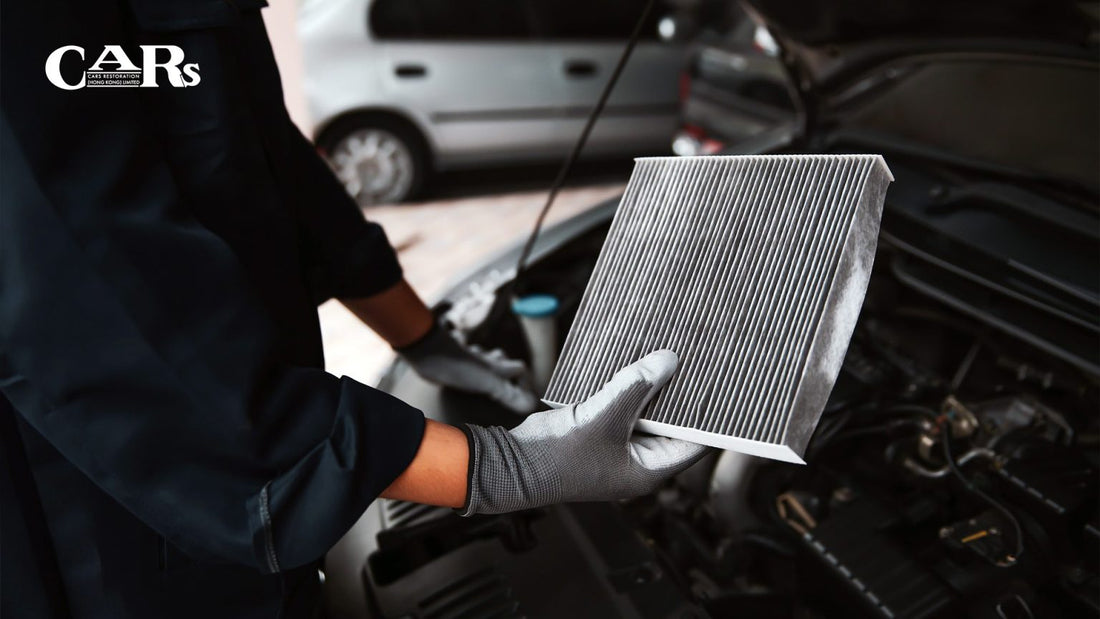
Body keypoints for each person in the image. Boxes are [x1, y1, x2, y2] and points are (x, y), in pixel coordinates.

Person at [0, 2, 707, 617]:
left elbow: (263, 161)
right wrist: (502, 468)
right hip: (123, 529)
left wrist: (424, 335)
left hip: (249, 505)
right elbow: (89, 302)